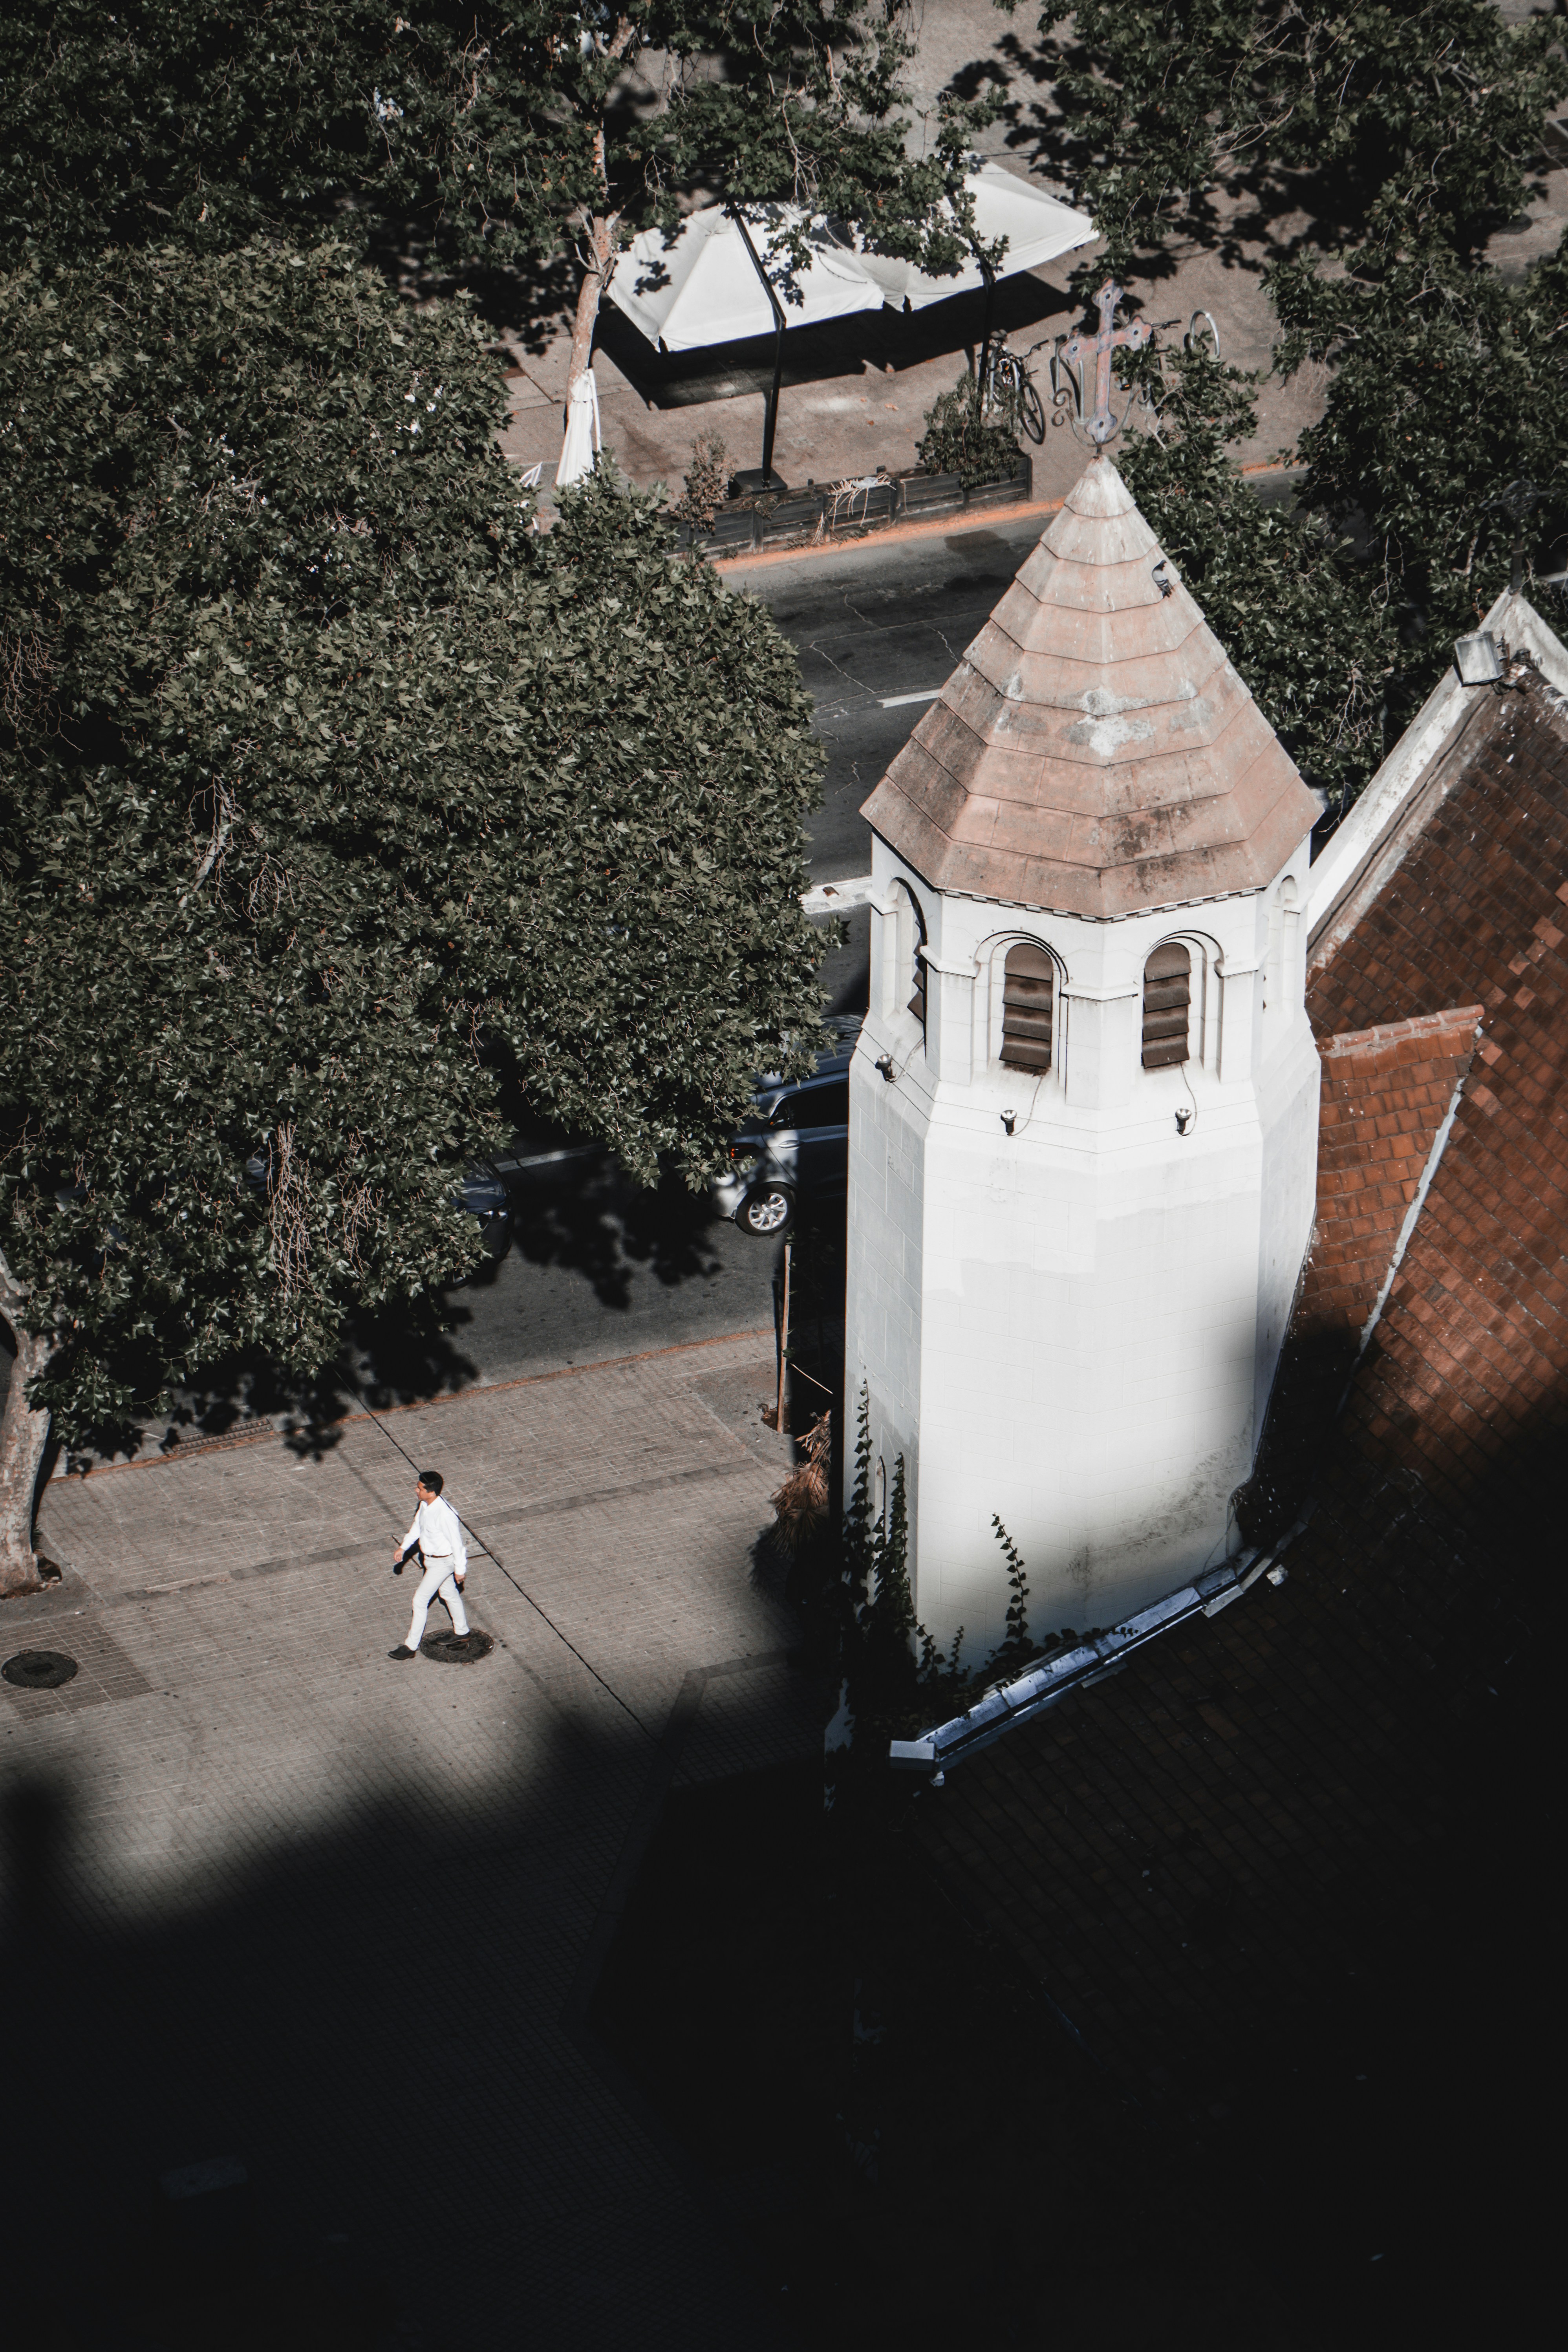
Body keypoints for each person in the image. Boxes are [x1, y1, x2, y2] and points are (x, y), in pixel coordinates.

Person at [389, 1470, 470, 1660]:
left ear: (431, 1492)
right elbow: (417, 1527)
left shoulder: (445, 1514)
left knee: (420, 1600)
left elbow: (458, 1544)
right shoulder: (425, 1506)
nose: (416, 1491)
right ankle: (462, 1631)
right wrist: (403, 1548)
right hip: (431, 1560)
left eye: (419, 1489)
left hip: (443, 1563)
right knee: (449, 1594)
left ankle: (410, 1647)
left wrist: (460, 1570)